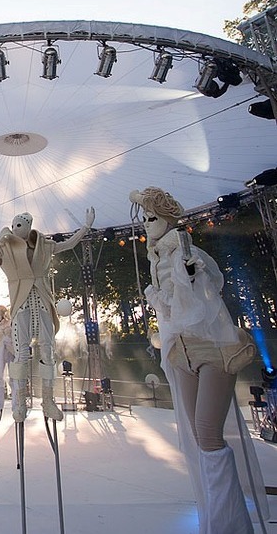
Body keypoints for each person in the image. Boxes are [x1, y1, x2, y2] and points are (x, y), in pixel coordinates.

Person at [129, 187, 268, 533]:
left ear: (168, 219)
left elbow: (202, 298)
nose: (147, 224)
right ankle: (218, 518)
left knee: (208, 435)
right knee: (197, 438)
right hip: (182, 352)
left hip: (211, 348)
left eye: (152, 218)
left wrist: (188, 277)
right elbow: (173, 312)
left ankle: (228, 525)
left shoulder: (187, 252)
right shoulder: (157, 258)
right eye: (144, 218)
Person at [0, 209, 94, 421]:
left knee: (48, 351)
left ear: (29, 226)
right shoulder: (6, 248)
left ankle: (48, 401)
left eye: (19, 225)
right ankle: (20, 402)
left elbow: (69, 244)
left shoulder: (44, 246)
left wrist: (86, 227)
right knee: (22, 353)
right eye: (13, 225)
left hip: (42, 301)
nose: (15, 229)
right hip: (22, 303)